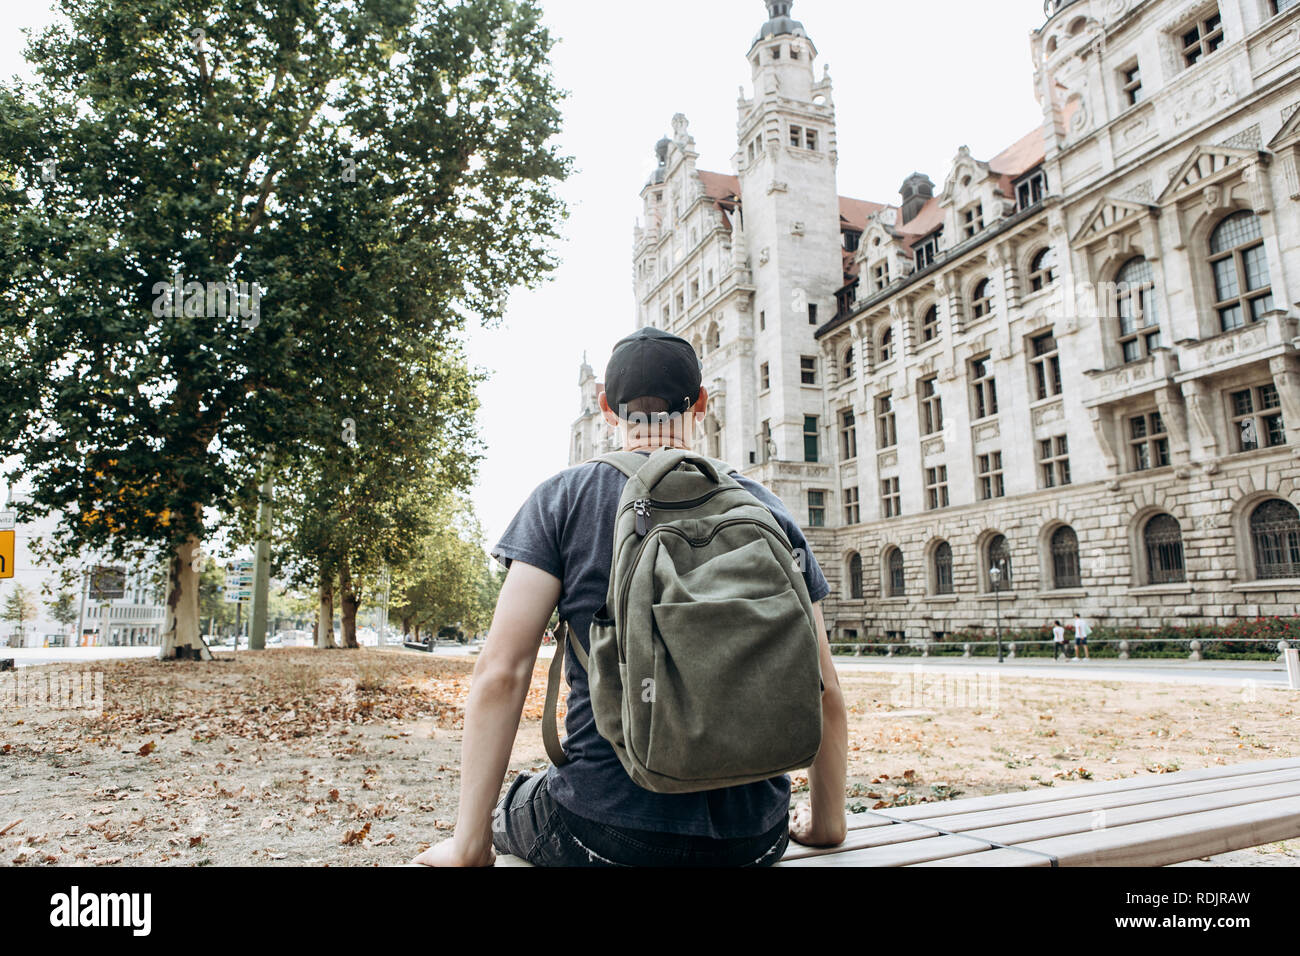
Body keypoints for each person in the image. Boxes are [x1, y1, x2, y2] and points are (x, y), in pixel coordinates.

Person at [412, 327, 847, 867]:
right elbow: (823, 684)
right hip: (754, 839)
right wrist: (827, 823)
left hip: (608, 829)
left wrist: (470, 846)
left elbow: (502, 672)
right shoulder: (768, 509)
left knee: (518, 803)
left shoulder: (562, 498)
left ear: (607, 409)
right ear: (703, 403)